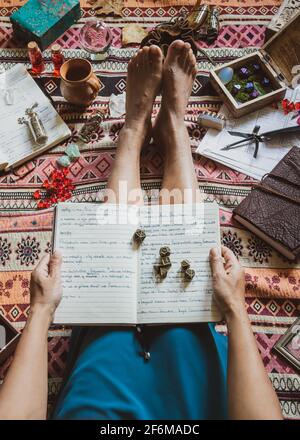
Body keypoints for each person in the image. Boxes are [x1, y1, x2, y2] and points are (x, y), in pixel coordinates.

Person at [0, 42, 283, 420]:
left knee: (116, 285)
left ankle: (135, 131)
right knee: (185, 297)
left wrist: (39, 310)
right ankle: (173, 128)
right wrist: (234, 308)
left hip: (100, 401)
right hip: (191, 398)